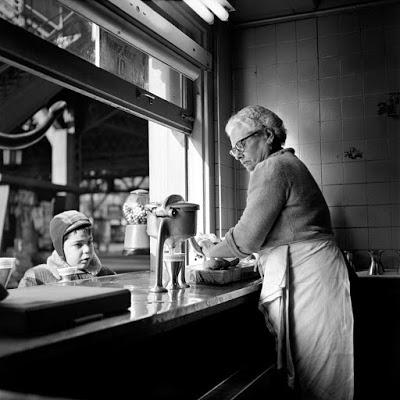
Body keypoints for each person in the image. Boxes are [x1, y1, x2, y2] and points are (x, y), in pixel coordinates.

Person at [198, 105, 354, 400]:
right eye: (233, 150)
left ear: (268, 135)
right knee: (322, 375)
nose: (238, 154)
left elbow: (247, 237)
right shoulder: (287, 164)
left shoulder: (272, 167)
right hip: (316, 276)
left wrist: (211, 250)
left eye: (241, 144)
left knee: (320, 378)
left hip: (310, 278)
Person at [19, 210, 115, 287]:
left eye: (89, 242)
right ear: (60, 248)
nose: (87, 249)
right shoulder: (36, 278)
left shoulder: (106, 276)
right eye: (78, 244)